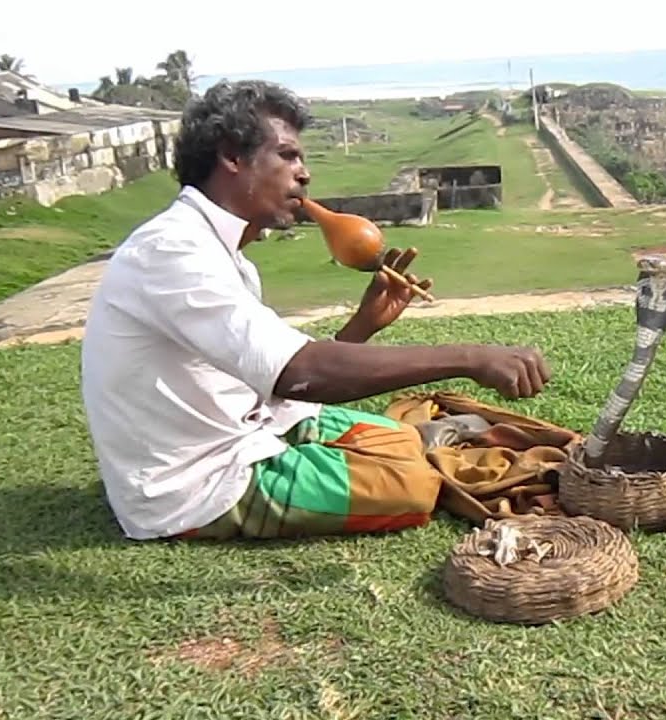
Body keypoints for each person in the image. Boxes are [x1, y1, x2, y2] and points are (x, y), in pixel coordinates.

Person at [80, 80, 551, 542]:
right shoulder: (172, 252)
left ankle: (406, 450)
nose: (304, 174)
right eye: (287, 155)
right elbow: (299, 373)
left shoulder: (222, 253)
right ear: (232, 157)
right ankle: (404, 464)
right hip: (201, 482)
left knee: (404, 440)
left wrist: (363, 324)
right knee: (414, 485)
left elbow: (279, 376)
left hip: (256, 425)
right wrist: (470, 358)